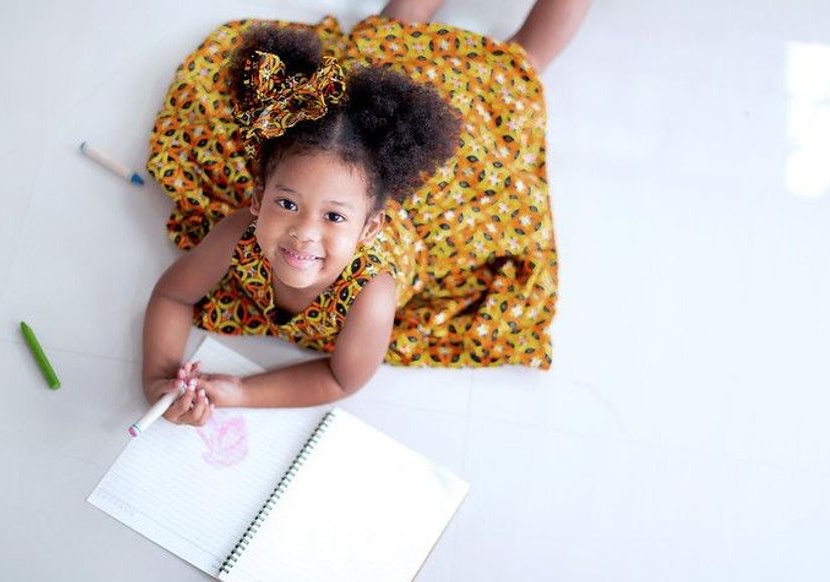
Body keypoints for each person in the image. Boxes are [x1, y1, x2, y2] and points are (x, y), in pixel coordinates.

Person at [141, 0, 591, 425]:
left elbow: (340, 377)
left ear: (370, 227)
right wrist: (159, 378)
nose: (304, 233)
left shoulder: (371, 294)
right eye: (287, 204)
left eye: (334, 217)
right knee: (395, 30)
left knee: (518, 67)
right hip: (379, 113)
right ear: (258, 198)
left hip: (459, 152)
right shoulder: (238, 231)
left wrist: (241, 391)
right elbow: (173, 296)